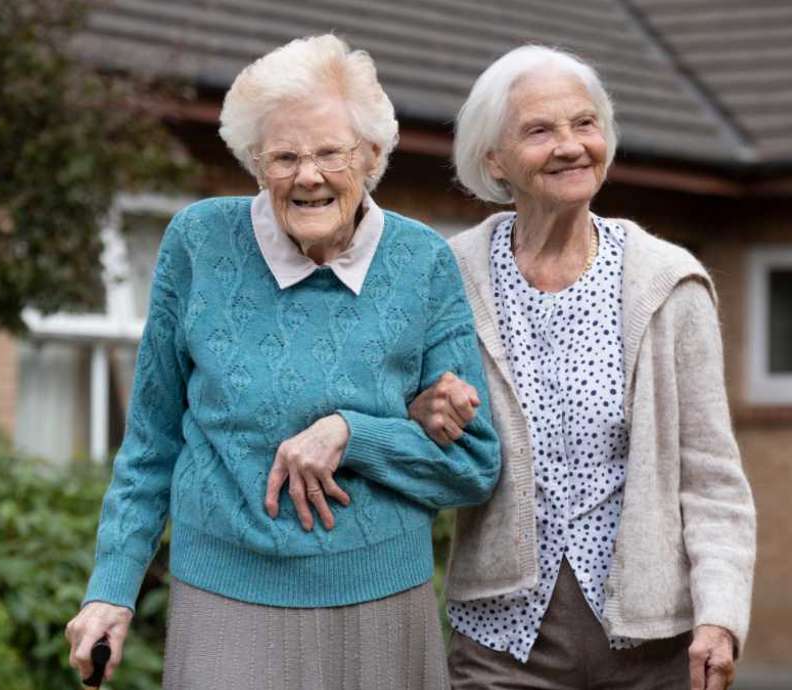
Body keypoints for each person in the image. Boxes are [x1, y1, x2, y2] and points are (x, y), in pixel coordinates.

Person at [64, 34, 501, 689]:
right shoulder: (199, 245)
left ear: (373, 156)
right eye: (284, 156)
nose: (308, 175)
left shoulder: (422, 264)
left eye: (331, 153)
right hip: (225, 595)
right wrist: (111, 588)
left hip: (379, 604)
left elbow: (473, 465)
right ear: (254, 163)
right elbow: (151, 438)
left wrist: (353, 433)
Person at [409, 45, 756, 690]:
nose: (571, 146)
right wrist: (421, 411)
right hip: (500, 639)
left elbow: (712, 478)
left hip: (652, 642)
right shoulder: (448, 277)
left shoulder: (668, 282)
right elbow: (402, 420)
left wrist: (719, 617)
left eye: (585, 123)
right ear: (494, 160)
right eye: (540, 131)